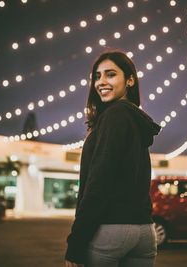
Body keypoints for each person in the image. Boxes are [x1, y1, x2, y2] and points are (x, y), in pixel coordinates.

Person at [65, 50, 161, 267]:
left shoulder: (115, 115)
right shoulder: (135, 119)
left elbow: (99, 181)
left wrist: (76, 242)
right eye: (97, 76)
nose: (101, 82)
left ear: (130, 80)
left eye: (110, 74)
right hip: (144, 232)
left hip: (112, 230)